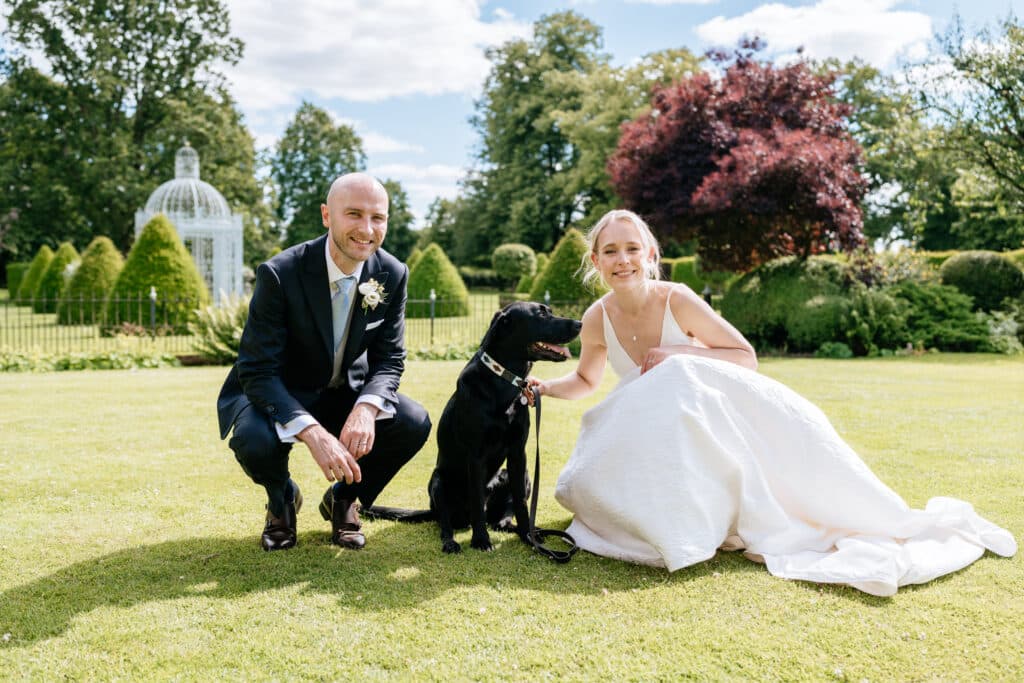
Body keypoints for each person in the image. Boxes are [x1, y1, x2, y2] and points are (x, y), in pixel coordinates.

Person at [528, 209, 1016, 596]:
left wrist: (677, 352)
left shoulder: (677, 299)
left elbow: (745, 356)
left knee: (675, 375)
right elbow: (588, 381)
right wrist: (547, 388)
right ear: (595, 261)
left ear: (651, 252)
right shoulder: (597, 318)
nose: (623, 260)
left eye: (632, 248)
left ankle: (749, 520)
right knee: (591, 479)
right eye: (610, 251)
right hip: (655, 434)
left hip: (714, 414)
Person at [217, 173, 431, 552]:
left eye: (377, 218)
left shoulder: (392, 273)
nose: (367, 229)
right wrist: (313, 433)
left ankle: (344, 501)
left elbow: (390, 358)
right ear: (326, 215)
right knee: (252, 440)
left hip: (346, 391)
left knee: (413, 421)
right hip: (283, 390)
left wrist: (366, 407)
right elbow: (256, 369)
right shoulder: (280, 274)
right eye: (354, 214)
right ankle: (281, 500)